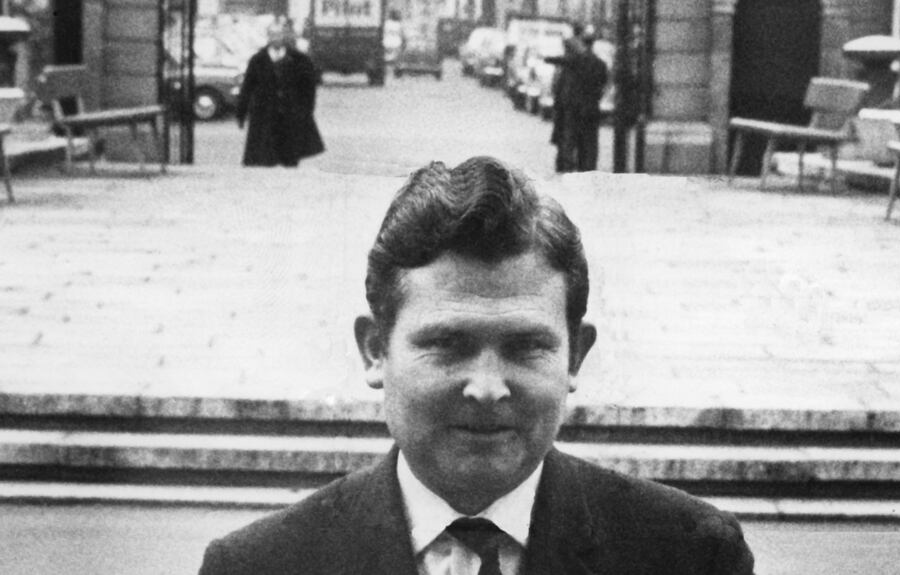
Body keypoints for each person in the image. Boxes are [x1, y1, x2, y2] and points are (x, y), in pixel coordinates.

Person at [197, 156, 755, 575]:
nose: (487, 389)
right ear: (375, 349)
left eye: (525, 346)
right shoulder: (260, 566)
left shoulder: (689, 555)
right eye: (447, 344)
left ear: (575, 355)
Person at [236, 21, 324, 167]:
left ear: (284, 36)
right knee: (265, 159)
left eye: (279, 34)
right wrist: (241, 114)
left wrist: (306, 110)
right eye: (273, 35)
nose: (276, 38)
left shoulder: (299, 60)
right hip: (265, 117)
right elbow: (247, 88)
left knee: (290, 160)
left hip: (289, 118)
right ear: (268, 37)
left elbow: (309, 89)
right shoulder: (257, 60)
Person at [549, 27, 608, 172]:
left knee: (571, 140)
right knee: (589, 145)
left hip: (574, 108)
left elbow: (558, 61)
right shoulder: (600, 64)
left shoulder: (576, 61)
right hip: (591, 108)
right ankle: (587, 170)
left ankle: (568, 168)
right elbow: (603, 84)